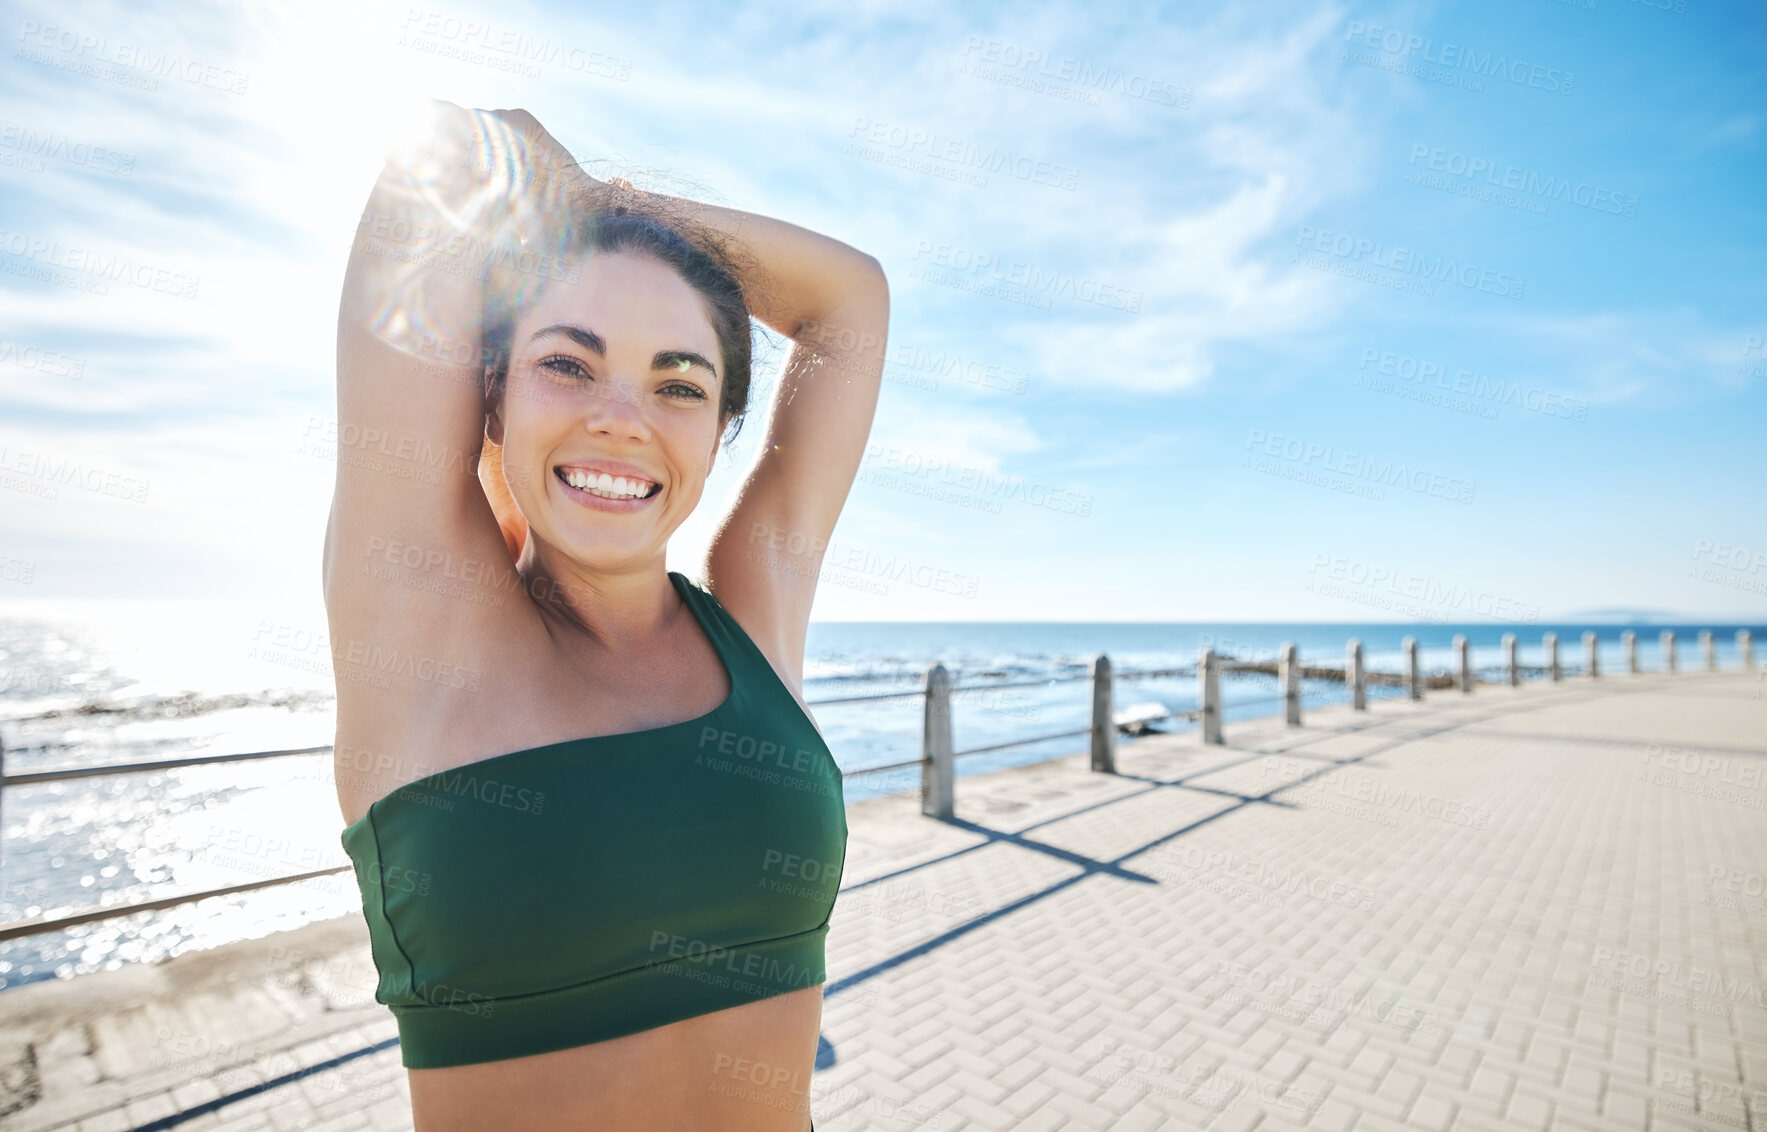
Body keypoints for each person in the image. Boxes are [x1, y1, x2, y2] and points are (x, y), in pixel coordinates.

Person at [325, 99, 888, 1131]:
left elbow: (851, 299)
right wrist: (589, 212)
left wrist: (616, 212)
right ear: (492, 398)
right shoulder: (426, 633)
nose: (619, 419)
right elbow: (448, 153)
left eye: (679, 383)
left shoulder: (757, 619)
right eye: (568, 363)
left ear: (722, 431)